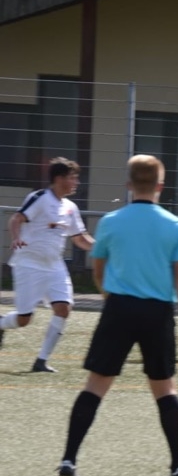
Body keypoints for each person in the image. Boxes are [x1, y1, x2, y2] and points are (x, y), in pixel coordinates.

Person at [56, 154, 178, 476]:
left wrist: (112, 298)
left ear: (129, 185)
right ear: (161, 185)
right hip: (157, 312)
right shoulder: (176, 225)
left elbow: (99, 270)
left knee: (96, 385)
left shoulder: (111, 222)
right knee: (164, 388)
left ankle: (68, 460)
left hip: (118, 308)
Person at [0, 157, 94, 372]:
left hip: (55, 266)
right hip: (29, 264)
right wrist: (16, 237)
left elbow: (80, 239)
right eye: (73, 178)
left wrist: (105, 248)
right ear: (59, 179)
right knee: (24, 319)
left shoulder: (70, 207)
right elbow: (16, 219)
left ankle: (41, 361)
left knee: (64, 308)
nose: (77, 182)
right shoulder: (40, 198)